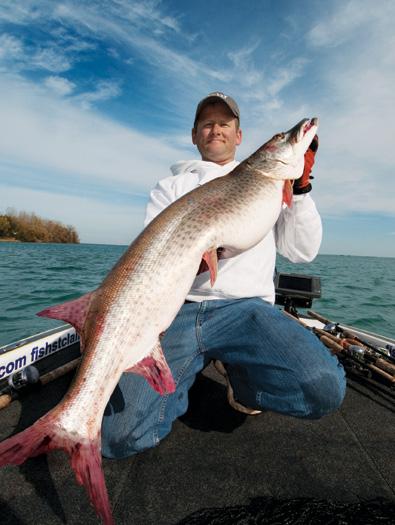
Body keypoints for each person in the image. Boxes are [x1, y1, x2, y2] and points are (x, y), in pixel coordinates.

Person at [102, 92, 346, 458]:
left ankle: (245, 385)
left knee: (322, 389)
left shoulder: (271, 182)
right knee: (118, 439)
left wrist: (300, 190)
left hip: (247, 309)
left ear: (239, 136)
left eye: (224, 123)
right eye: (207, 124)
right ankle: (184, 376)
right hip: (178, 311)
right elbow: (154, 256)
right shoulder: (171, 187)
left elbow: (302, 251)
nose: (215, 129)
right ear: (195, 135)